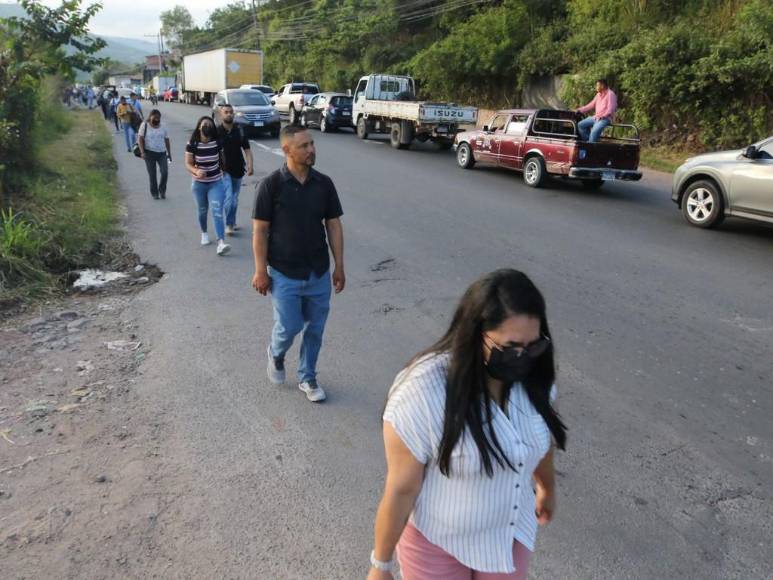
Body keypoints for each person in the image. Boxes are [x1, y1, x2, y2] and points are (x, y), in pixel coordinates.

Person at [367, 269, 567, 580]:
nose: (523, 357)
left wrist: (546, 486)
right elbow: (401, 489)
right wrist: (380, 566)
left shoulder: (535, 381)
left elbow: (540, 439)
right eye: (511, 347)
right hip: (436, 544)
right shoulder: (423, 392)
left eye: (533, 346)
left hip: (507, 536)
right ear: (475, 335)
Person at [252, 125, 345, 403]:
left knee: (315, 329)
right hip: (284, 273)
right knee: (290, 326)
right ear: (287, 150)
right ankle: (276, 353)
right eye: (304, 146)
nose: (311, 150)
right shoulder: (271, 185)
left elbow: (334, 225)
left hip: (317, 271)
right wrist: (260, 270)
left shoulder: (324, 184)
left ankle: (308, 376)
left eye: (312, 144)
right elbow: (260, 230)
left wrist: (338, 265)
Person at [184, 116, 231, 256]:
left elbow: (222, 159)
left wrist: (224, 171)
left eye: (210, 125)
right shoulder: (192, 143)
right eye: (205, 124)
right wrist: (196, 171)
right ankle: (204, 232)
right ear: (199, 127)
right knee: (202, 210)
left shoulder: (217, 143)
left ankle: (221, 243)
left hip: (216, 182)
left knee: (217, 211)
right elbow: (188, 163)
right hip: (199, 184)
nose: (207, 127)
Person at [217, 104, 254, 236]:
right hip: (223, 170)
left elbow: (247, 150)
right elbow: (212, 151)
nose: (229, 114)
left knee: (235, 198)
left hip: (238, 169)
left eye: (231, 112)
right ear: (221, 115)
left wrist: (250, 165)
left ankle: (231, 220)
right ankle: (229, 224)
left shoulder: (240, 130)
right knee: (229, 199)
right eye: (226, 112)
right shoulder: (217, 132)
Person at [138, 109, 171, 200]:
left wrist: (169, 153)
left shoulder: (163, 126)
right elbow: (140, 139)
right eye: (155, 118)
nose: (157, 119)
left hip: (162, 153)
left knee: (165, 172)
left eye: (158, 118)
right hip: (149, 154)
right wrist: (142, 152)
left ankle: (162, 190)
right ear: (150, 117)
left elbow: (167, 140)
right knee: (152, 175)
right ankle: (154, 193)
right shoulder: (144, 125)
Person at [575, 78, 617, 143]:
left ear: (602, 86)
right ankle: (589, 142)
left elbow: (611, 109)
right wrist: (579, 110)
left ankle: (590, 145)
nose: (596, 87)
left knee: (594, 132)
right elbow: (591, 105)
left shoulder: (610, 94)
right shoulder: (598, 95)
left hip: (605, 119)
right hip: (596, 117)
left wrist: (603, 116)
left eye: (597, 85)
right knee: (580, 125)